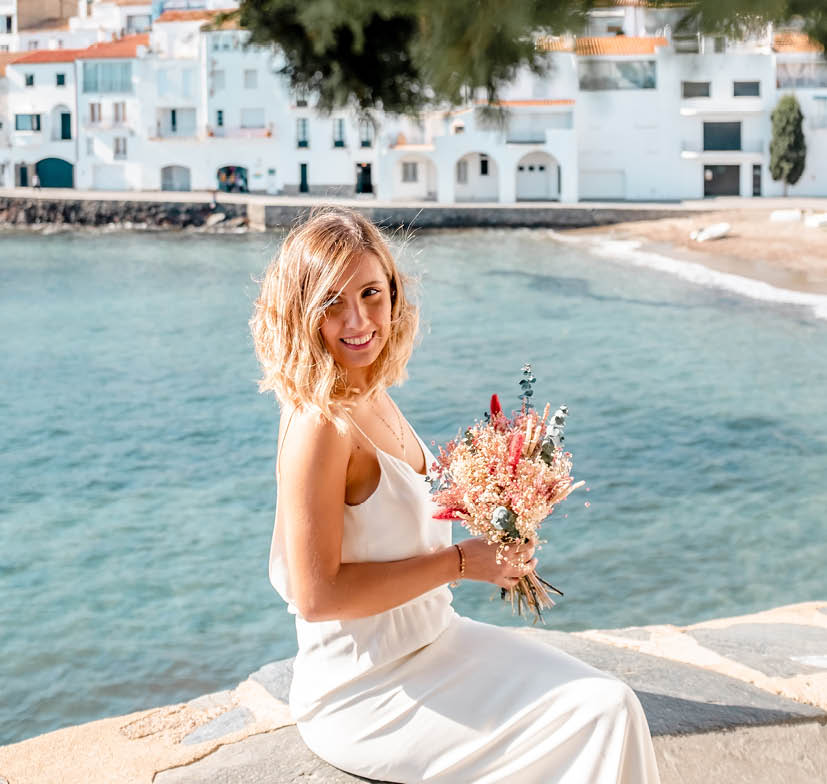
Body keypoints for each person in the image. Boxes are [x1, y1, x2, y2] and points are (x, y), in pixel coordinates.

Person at [250, 207, 660, 784]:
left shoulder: (373, 392)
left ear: (393, 294)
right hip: (365, 688)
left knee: (613, 704)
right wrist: (463, 562)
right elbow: (318, 596)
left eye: (371, 293)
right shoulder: (321, 425)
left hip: (437, 639)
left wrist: (499, 539)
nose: (358, 320)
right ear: (302, 311)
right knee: (594, 718)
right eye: (333, 302)